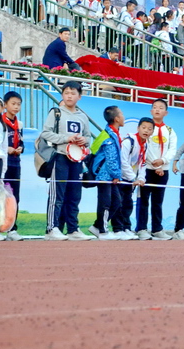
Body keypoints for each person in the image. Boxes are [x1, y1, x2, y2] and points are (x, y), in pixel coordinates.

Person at [42, 81, 92, 241]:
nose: (69, 96)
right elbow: (46, 133)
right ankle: (52, 228)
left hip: (77, 161)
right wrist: (66, 138)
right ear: (62, 95)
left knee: (74, 195)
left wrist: (84, 140)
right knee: (57, 195)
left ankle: (73, 229)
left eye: (73, 93)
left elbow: (89, 137)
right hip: (60, 157)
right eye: (66, 93)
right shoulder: (56, 112)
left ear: (80, 96)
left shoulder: (82, 116)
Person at [137, 99, 177, 240]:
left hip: (163, 171)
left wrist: (163, 162)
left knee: (158, 201)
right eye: (154, 107)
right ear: (151, 111)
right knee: (143, 201)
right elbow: (144, 147)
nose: (157, 110)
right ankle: (141, 228)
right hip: (147, 169)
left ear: (166, 112)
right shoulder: (147, 128)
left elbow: (172, 150)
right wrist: (156, 165)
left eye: (161, 108)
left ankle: (157, 229)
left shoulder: (170, 131)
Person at [113, 117, 153, 240]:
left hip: (131, 180)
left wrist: (141, 178)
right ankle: (118, 229)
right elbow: (123, 161)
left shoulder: (145, 144)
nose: (146, 131)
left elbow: (142, 163)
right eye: (144, 127)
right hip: (121, 178)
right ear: (138, 128)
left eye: (149, 129)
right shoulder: (128, 142)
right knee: (118, 204)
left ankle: (126, 228)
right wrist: (132, 178)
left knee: (128, 204)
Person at [88, 106, 125, 240]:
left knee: (116, 201)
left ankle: (97, 226)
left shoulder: (113, 133)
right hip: (104, 175)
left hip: (109, 175)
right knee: (105, 203)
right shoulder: (109, 136)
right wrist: (116, 175)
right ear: (116, 119)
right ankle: (103, 231)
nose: (123, 117)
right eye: (121, 114)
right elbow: (111, 159)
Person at [1, 92, 23, 240]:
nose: (16, 107)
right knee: (0, 196)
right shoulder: (0, 122)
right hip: (2, 163)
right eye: (13, 103)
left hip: (15, 162)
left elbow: (20, 141)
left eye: (18, 104)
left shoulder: (19, 124)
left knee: (14, 197)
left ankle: (12, 229)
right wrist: (5, 149)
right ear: (5, 105)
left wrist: (20, 148)